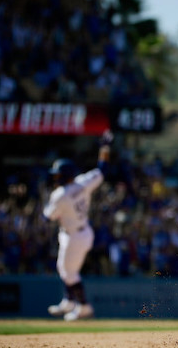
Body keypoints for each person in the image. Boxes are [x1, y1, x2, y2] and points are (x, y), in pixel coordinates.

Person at [44, 130, 113, 321]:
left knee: (70, 273)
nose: (55, 178)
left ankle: (84, 306)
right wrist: (105, 148)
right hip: (81, 232)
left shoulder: (59, 196)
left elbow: (48, 217)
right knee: (63, 268)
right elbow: (103, 168)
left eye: (58, 175)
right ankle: (69, 300)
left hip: (74, 235)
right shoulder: (83, 182)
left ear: (63, 176)